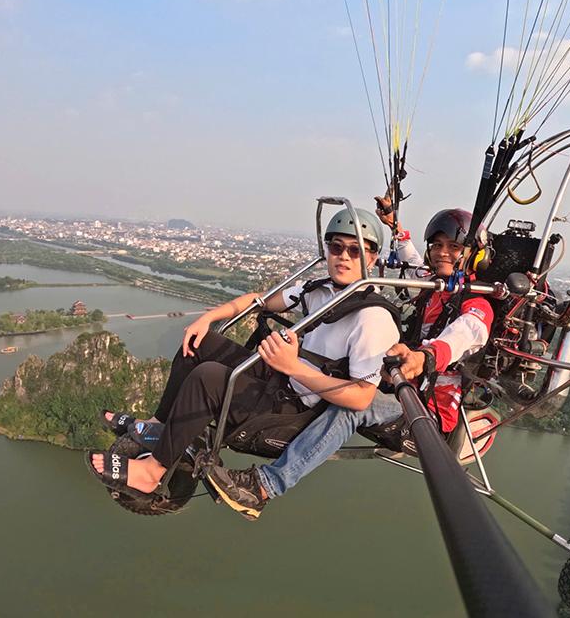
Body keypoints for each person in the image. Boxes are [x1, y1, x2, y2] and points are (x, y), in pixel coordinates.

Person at [87, 208, 401, 518]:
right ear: (327, 250)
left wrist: (293, 366)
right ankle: (158, 426)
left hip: (297, 410)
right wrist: (208, 318)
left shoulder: (372, 318)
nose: (344, 257)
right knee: (198, 345)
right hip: (284, 380)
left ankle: (152, 472)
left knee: (208, 378)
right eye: (336, 247)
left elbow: (360, 398)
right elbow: (259, 300)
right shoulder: (322, 292)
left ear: (372, 258)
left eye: (355, 250)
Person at [205, 200, 494, 520]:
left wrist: (423, 357)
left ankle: (264, 488)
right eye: (437, 245)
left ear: (474, 255)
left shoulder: (477, 307)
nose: (442, 252)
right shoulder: (431, 283)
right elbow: (410, 258)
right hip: (399, 392)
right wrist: (394, 224)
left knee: (353, 402)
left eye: (454, 247)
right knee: (340, 376)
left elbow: (460, 337)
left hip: (424, 417)